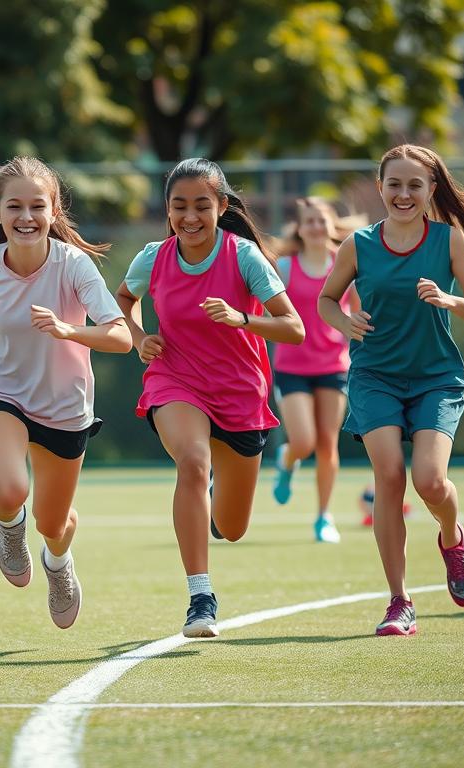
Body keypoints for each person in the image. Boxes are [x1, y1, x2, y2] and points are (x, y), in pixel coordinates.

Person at [318, 144, 464, 637]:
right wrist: (345, 321)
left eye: (414, 185)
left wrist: (449, 298)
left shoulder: (447, 241)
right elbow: (324, 300)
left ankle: (452, 539)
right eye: (394, 184)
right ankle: (399, 602)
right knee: (388, 475)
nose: (403, 193)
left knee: (429, 481)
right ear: (381, 187)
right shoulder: (358, 244)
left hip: (435, 378)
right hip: (374, 376)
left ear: (430, 191)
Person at [0, 157, 131, 629]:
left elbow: (120, 337)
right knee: (10, 490)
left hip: (64, 406)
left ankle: (58, 564)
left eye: (37, 206)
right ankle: (7, 525)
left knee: (53, 524)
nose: (26, 216)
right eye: (14, 206)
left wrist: (67, 330)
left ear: (54, 210)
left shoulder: (74, 265)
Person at [115, 158, 305, 638]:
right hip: (175, 380)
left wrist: (243, 319)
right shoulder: (152, 257)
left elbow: (294, 328)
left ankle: (218, 508)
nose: (190, 216)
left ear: (222, 207)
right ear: (168, 210)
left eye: (202, 205)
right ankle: (201, 596)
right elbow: (120, 302)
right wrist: (139, 337)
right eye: (179, 206)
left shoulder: (244, 257)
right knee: (194, 463)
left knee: (234, 527)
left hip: (240, 393)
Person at [269, 197, 362, 543]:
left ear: (331, 226)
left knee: (327, 443)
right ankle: (287, 458)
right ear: (300, 228)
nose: (316, 227)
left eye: (321, 220)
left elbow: (357, 314)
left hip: (334, 366)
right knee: (304, 441)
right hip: (291, 366)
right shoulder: (285, 268)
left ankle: (324, 517)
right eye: (309, 221)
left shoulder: (345, 265)